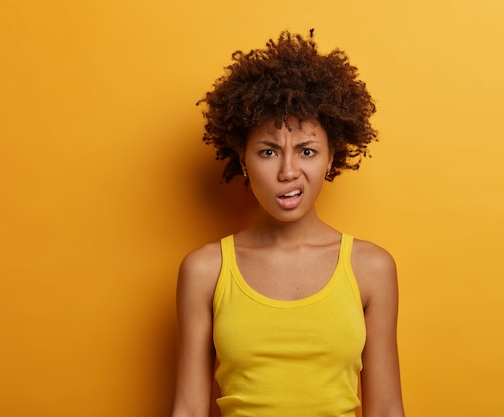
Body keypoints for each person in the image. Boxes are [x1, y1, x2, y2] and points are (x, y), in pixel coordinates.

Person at [171, 30, 405, 417]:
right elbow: (189, 410)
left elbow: (385, 411)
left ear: (332, 158)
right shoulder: (205, 270)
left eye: (307, 151)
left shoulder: (371, 268)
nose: (288, 171)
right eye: (268, 151)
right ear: (243, 160)